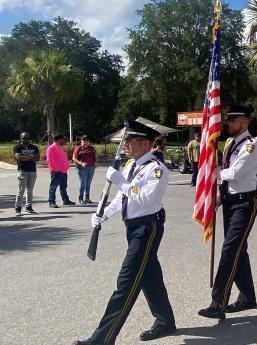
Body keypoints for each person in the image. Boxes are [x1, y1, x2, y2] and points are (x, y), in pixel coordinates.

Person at [74, 121, 176, 345]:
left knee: (127, 282)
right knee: (149, 275)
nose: (125, 145)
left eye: (129, 141)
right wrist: (104, 214)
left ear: (146, 143)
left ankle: (102, 338)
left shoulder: (156, 169)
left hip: (147, 228)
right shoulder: (131, 165)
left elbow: (145, 198)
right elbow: (123, 196)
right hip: (133, 227)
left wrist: (119, 179)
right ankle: (165, 321)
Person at [198, 105, 257, 320]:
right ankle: (248, 296)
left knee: (230, 250)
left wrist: (213, 172)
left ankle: (218, 302)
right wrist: (216, 198)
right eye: (229, 120)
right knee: (238, 250)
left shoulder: (251, 146)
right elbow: (228, 177)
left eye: (234, 120)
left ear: (245, 121)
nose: (229, 123)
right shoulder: (230, 144)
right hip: (229, 202)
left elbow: (236, 172)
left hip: (245, 203)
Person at [13, 132, 40, 216]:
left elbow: (38, 158)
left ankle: (29, 207)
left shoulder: (34, 147)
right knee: (21, 190)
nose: (26, 140)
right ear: (20, 138)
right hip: (23, 170)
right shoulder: (17, 147)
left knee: (30, 190)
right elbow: (19, 158)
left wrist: (26, 157)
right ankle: (18, 208)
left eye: (27, 138)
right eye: (24, 138)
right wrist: (31, 157)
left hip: (32, 171)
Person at [46, 134, 75, 208]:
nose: (64, 141)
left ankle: (66, 200)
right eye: (62, 139)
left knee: (63, 187)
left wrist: (67, 165)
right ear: (58, 140)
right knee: (53, 187)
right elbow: (50, 160)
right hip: (56, 171)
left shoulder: (61, 147)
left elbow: (64, 157)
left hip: (64, 171)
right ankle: (51, 202)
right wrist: (56, 170)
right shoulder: (51, 148)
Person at [72, 135, 97, 205]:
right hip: (82, 168)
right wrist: (81, 163)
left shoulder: (92, 148)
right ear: (81, 142)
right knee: (83, 183)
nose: (85, 143)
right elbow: (74, 158)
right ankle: (81, 198)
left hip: (91, 168)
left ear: (89, 142)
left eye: (86, 141)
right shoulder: (78, 148)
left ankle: (87, 198)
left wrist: (95, 164)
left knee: (88, 183)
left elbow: (95, 157)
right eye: (83, 141)